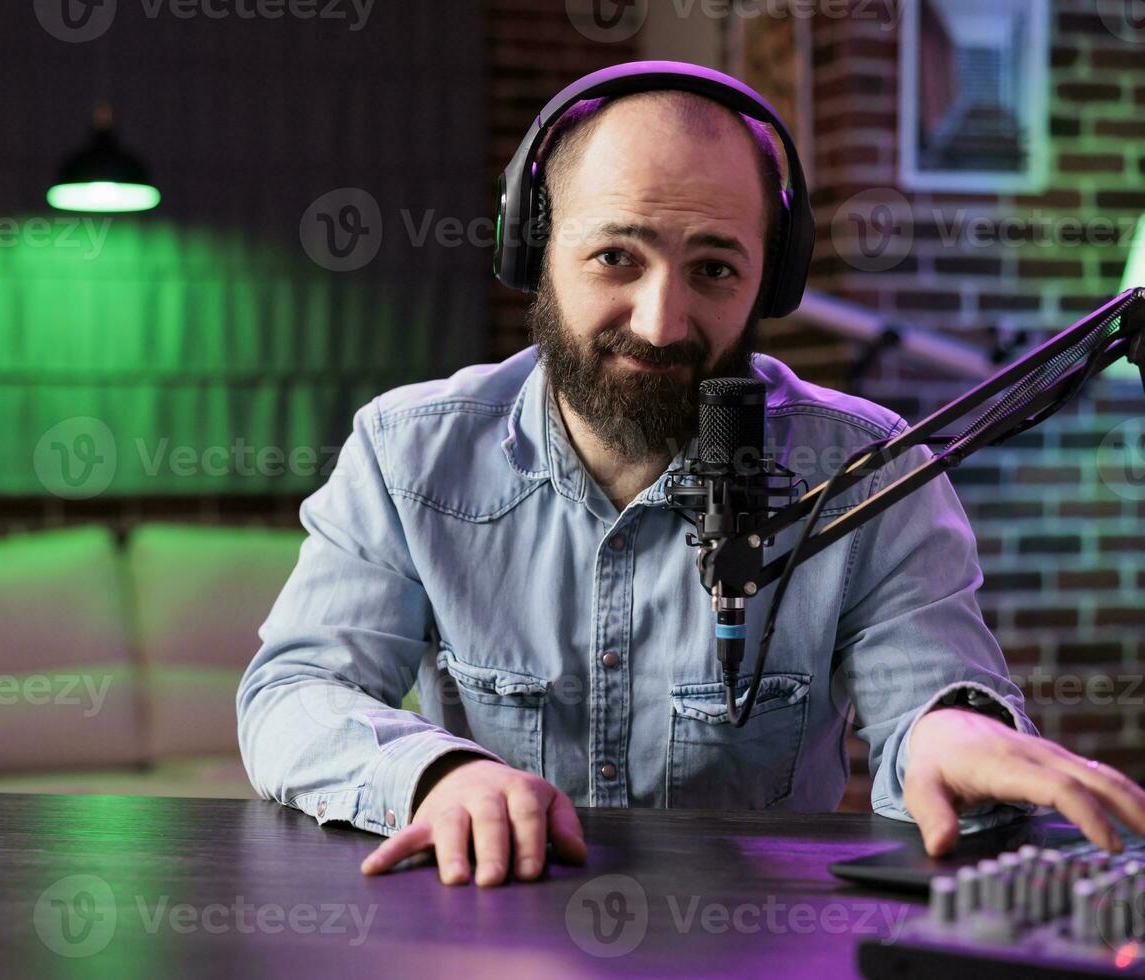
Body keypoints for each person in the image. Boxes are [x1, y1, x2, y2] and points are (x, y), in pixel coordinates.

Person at [237, 64, 1145, 888]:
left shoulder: (868, 470)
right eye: (616, 257)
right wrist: (434, 773)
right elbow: (292, 695)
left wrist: (952, 729)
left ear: (769, 278)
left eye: (713, 267)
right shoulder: (409, 454)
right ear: (534, 250)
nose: (663, 322)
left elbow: (928, 702)